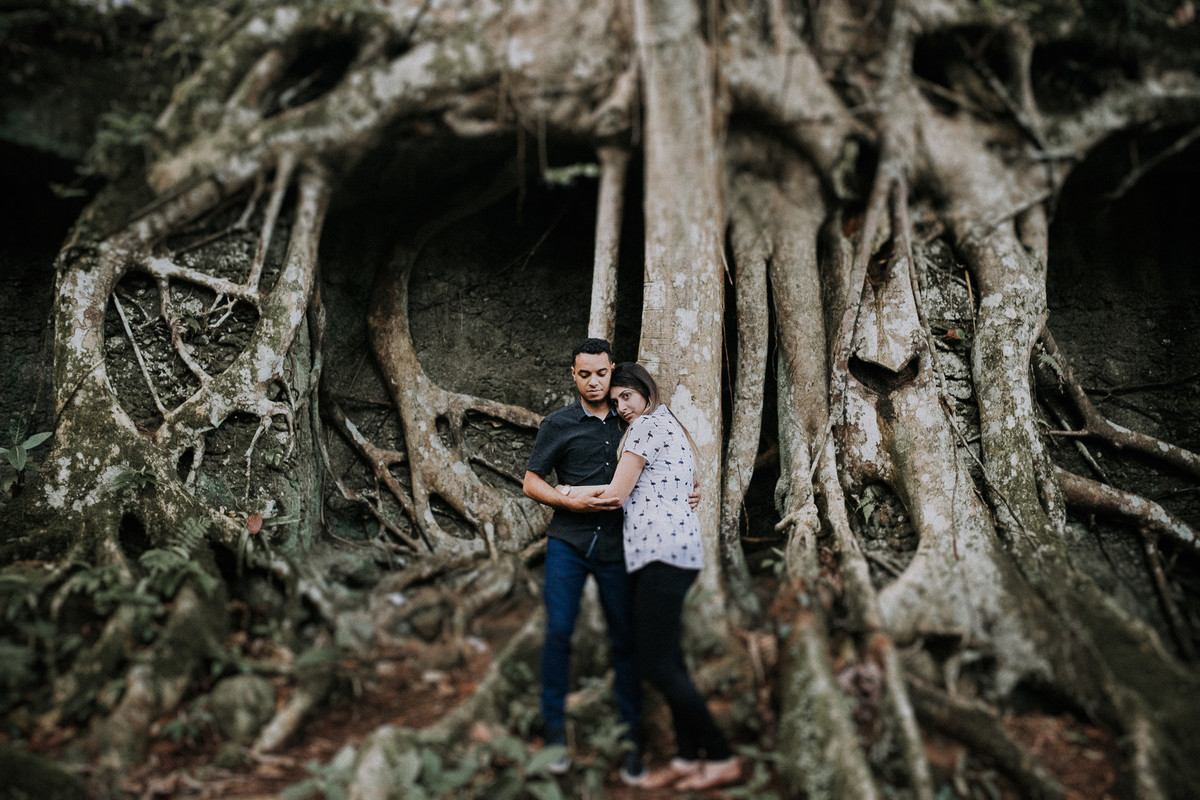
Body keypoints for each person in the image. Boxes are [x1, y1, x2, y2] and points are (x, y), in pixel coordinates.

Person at [591, 361, 741, 791]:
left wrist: (563, 492)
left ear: (645, 391)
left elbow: (616, 495)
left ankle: (719, 755)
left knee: (656, 663)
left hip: (661, 554)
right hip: (673, 552)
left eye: (626, 396)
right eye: (614, 399)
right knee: (669, 659)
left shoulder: (643, 428)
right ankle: (686, 756)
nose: (620, 406)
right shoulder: (667, 423)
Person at [522, 338, 644, 784]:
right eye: (585, 374)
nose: (594, 382)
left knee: (625, 637)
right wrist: (565, 501)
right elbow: (531, 481)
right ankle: (554, 730)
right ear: (573, 375)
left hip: (620, 546)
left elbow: (665, 464)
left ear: (613, 371)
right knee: (558, 632)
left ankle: (633, 737)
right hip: (568, 542)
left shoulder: (633, 421)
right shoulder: (558, 424)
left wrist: (692, 489)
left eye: (602, 373)